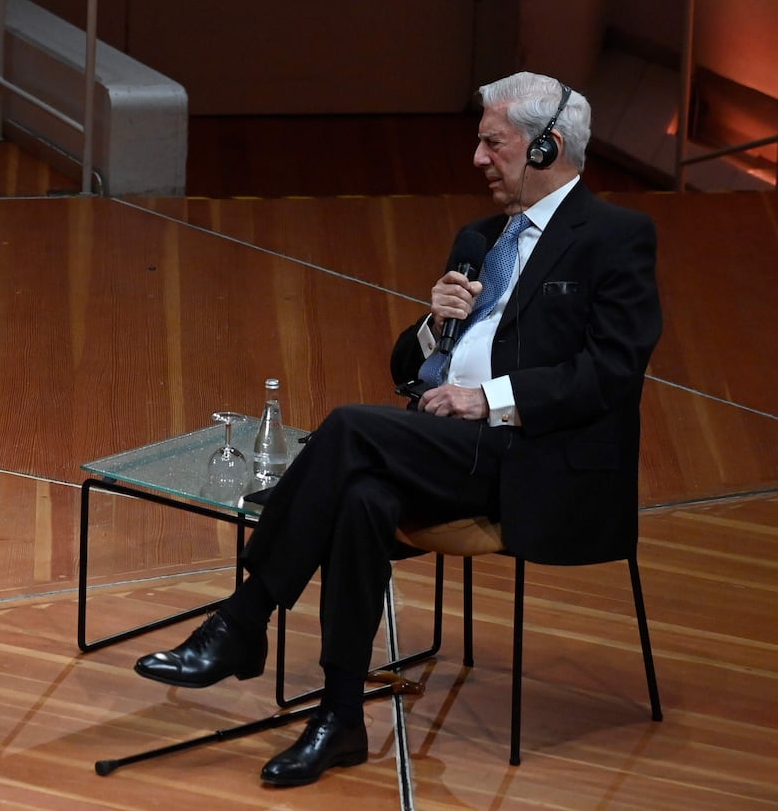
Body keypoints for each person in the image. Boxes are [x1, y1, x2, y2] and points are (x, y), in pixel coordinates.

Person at [132, 72, 661, 787]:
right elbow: (408, 369)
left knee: (349, 431)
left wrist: (491, 399)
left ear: (546, 147)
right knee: (360, 498)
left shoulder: (615, 236)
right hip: (448, 451)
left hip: (535, 456)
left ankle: (244, 620)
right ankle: (341, 718)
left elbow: (614, 370)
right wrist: (433, 324)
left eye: (492, 142)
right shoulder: (478, 238)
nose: (477, 158)